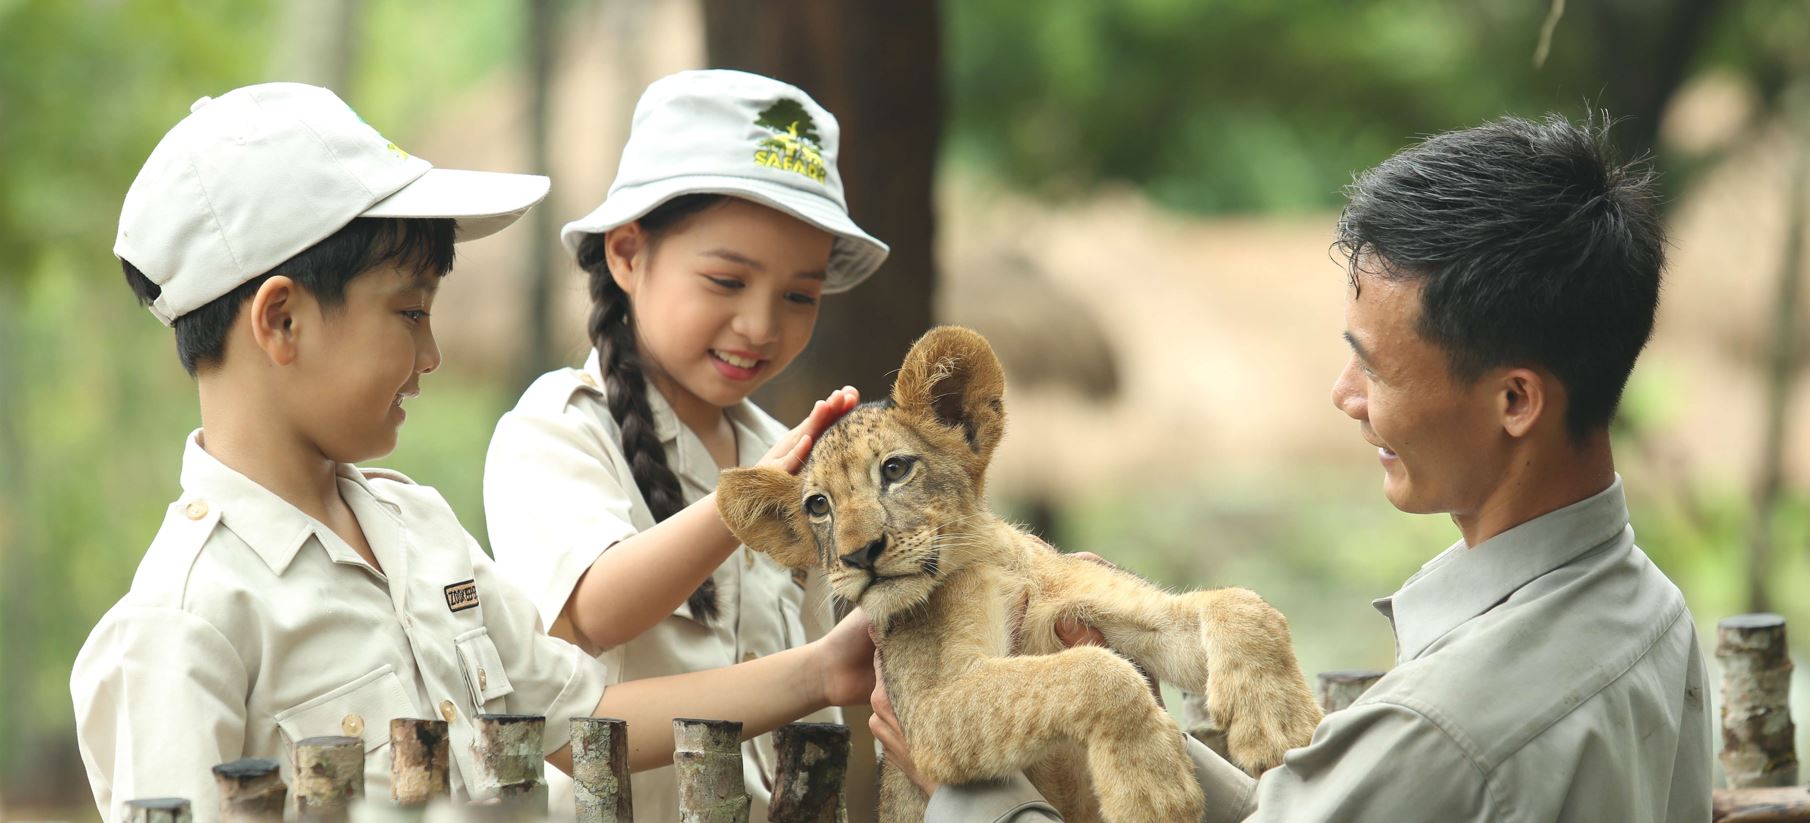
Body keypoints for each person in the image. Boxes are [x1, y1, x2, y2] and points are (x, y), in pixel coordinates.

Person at [70, 82, 875, 822]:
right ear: (282, 321)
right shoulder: (182, 624)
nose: (432, 355)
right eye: (410, 313)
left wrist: (820, 671)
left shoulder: (419, 532)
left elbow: (582, 723)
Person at [874, 113, 1713, 821]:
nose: (1343, 394)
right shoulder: (1653, 615)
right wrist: (1128, 711)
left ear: (1516, 401)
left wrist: (971, 791)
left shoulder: (1438, 731)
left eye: (1376, 369)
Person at [481, 69, 889, 822]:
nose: (762, 325)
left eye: (799, 295)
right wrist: (743, 504)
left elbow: (811, 701)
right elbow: (595, 609)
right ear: (629, 254)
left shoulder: (780, 451)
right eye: (727, 280)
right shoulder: (557, 431)